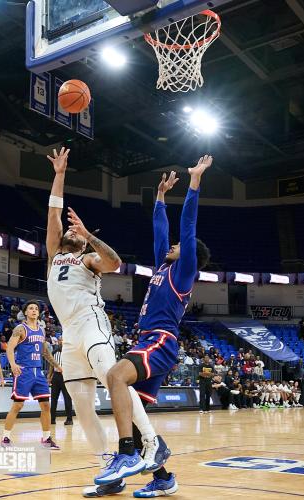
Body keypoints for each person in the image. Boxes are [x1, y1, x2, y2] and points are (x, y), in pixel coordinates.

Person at [46, 147, 161, 498]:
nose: (70, 232)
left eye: (76, 232)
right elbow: (52, 213)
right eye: (71, 230)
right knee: (81, 406)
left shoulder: (88, 259)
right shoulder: (54, 255)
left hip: (93, 326)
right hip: (69, 338)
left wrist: (88, 233)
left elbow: (115, 263)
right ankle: (108, 470)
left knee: (115, 381)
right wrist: (60, 174)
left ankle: (152, 442)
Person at [98, 156, 212, 495]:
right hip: (148, 341)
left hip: (160, 342)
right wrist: (160, 198)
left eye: (178, 247)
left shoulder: (184, 269)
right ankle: (163, 478)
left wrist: (194, 183)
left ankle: (125, 455)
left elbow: (187, 229)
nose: (173, 246)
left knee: (116, 376)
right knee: (137, 418)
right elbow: (160, 233)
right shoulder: (163, 266)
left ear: (190, 255)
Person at [1, 301, 61, 449]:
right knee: (18, 405)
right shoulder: (20, 329)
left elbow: (45, 352)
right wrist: (13, 364)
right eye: (31, 308)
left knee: (46, 405)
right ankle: (5, 437)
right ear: (26, 312)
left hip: (38, 371)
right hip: (24, 371)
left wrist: (57, 365)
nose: (34, 310)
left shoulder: (42, 330)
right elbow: (9, 348)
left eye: (36, 308)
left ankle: (46, 438)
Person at [48, 337, 73, 425]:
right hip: (56, 376)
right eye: (60, 340)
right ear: (58, 342)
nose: (61, 342)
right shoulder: (54, 352)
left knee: (67, 399)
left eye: (63, 340)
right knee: (54, 399)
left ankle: (69, 419)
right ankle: (52, 419)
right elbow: (51, 365)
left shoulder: (70, 353)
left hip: (66, 376)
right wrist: (49, 377)